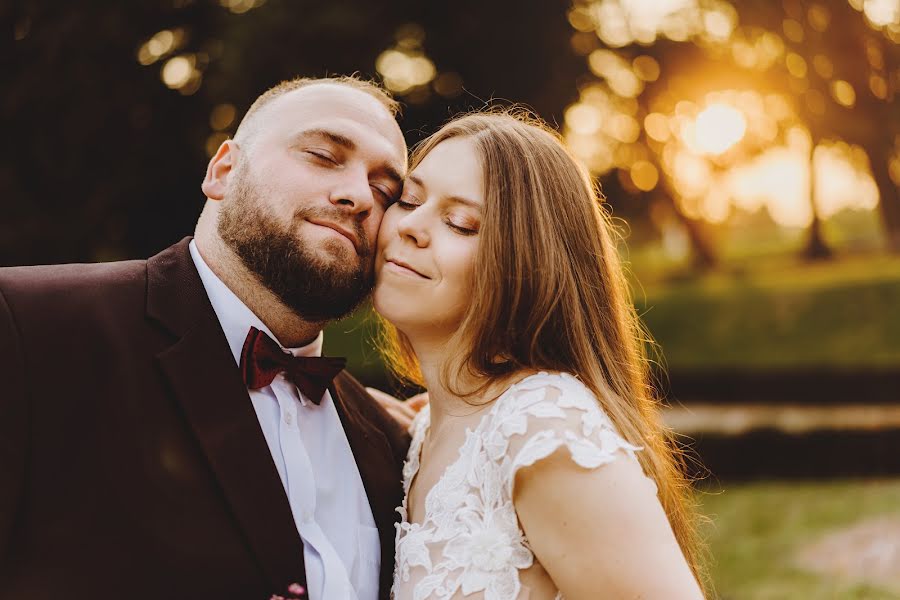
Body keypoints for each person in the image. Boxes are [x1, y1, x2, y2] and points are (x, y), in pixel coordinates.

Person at [0, 76, 411, 600]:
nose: (357, 196)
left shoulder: (391, 442)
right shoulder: (28, 329)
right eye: (323, 155)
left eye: (385, 190)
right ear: (224, 170)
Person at [374, 110, 707, 599]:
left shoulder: (542, 428)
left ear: (524, 261)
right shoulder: (427, 432)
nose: (411, 227)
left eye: (461, 223)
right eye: (409, 199)